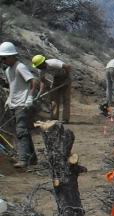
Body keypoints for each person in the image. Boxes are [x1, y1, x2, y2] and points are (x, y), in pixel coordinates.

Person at [0, 41, 40, 171]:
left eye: (5, 57)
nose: (3, 60)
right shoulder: (8, 70)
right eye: (2, 58)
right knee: (23, 132)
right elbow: (13, 87)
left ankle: (23, 159)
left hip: (22, 104)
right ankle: (32, 158)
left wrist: (29, 97)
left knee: (21, 131)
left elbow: (33, 81)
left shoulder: (20, 67)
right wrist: (9, 100)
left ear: (12, 56)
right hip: (14, 104)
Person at [31, 54, 72, 123]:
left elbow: (67, 67)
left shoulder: (53, 63)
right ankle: (54, 118)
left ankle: (65, 119)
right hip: (56, 79)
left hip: (65, 77)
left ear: (42, 63)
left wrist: (68, 78)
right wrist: (39, 94)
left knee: (65, 99)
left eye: (38, 66)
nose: (38, 68)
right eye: (37, 66)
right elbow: (42, 81)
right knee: (54, 99)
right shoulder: (40, 70)